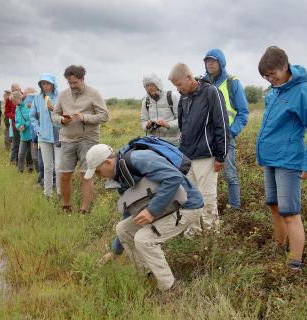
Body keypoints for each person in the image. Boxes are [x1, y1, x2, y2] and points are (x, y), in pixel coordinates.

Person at [84, 143, 203, 291]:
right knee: (123, 229)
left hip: (187, 206)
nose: (99, 177)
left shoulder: (138, 159)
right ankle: (147, 275)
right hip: (167, 206)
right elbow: (131, 210)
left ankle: (171, 288)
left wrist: (151, 211)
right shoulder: (120, 175)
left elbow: (173, 177)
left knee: (143, 239)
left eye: (98, 171)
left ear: (108, 162)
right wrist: (115, 251)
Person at [257, 46, 307, 271]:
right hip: (271, 159)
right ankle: (279, 246)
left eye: (273, 73)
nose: (270, 79)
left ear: (285, 66)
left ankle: (294, 263)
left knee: (290, 212)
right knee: (274, 206)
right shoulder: (273, 92)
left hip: (288, 161)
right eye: (266, 76)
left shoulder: (303, 91)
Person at [168, 63, 229, 233]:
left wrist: (220, 156)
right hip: (187, 156)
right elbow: (182, 126)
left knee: (208, 197)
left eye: (179, 84)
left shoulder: (211, 92)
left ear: (189, 77)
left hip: (207, 156)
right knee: (188, 197)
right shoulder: (183, 97)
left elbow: (221, 125)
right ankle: (193, 233)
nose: (178, 89)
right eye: (175, 86)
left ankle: (212, 234)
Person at [52, 65, 109, 214]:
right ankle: (66, 206)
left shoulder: (94, 93)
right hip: (67, 139)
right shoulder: (63, 95)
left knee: (86, 175)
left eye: (75, 82)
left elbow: (104, 116)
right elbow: (54, 115)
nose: (72, 86)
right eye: (69, 83)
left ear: (82, 79)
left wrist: (85, 118)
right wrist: (61, 120)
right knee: (64, 174)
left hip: (88, 140)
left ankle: (84, 210)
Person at [203, 48, 249, 211]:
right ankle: (208, 209)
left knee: (230, 174)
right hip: (207, 139)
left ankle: (235, 207)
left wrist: (231, 132)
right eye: (207, 61)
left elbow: (243, 112)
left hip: (226, 137)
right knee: (205, 176)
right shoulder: (202, 82)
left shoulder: (232, 82)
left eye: (213, 61)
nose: (209, 63)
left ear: (221, 63)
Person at [30, 73, 61, 198]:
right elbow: (32, 116)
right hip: (44, 138)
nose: (45, 86)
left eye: (47, 83)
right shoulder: (37, 99)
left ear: (53, 84)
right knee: (48, 167)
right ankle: (48, 194)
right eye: (43, 83)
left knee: (59, 167)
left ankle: (60, 193)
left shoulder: (60, 97)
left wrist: (53, 109)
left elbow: (65, 115)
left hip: (59, 136)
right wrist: (39, 130)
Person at [140, 73, 180, 145]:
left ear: (158, 84)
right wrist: (147, 125)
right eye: (147, 86)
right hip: (153, 143)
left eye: (152, 84)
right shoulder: (145, 101)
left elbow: (182, 120)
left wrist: (168, 124)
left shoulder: (172, 96)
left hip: (173, 143)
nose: (149, 88)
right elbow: (143, 121)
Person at [14, 91, 34, 173]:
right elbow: (16, 121)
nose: (13, 103)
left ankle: (32, 169)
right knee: (21, 154)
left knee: (31, 154)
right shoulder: (17, 109)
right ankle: (20, 171)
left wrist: (25, 125)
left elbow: (32, 119)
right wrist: (19, 126)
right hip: (23, 135)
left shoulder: (27, 106)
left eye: (14, 101)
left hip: (31, 135)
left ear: (19, 99)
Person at [5, 83, 22, 165]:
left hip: (25, 126)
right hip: (15, 125)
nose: (17, 92)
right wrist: (16, 117)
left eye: (18, 90)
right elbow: (7, 112)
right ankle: (12, 162)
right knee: (15, 144)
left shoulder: (23, 97)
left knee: (25, 145)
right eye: (15, 91)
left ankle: (22, 163)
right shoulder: (9, 99)